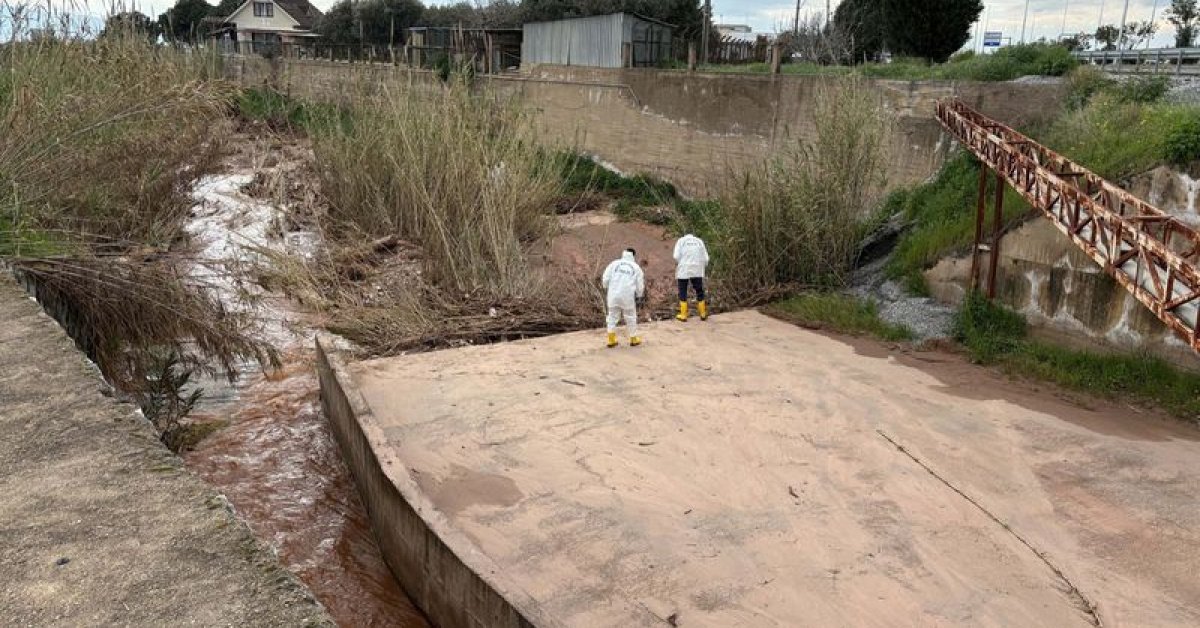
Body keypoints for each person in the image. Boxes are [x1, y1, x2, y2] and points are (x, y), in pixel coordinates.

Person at [601, 248, 645, 348]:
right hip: (627, 296)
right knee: (630, 317)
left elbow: (605, 278)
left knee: (612, 317)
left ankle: (611, 340)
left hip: (613, 295)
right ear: (633, 256)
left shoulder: (614, 264)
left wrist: (606, 286)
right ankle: (633, 339)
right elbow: (640, 284)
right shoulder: (636, 268)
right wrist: (639, 295)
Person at [673, 233, 710, 322]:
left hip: (684, 269)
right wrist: (702, 265)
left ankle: (683, 315)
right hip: (697, 268)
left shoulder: (681, 241)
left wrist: (682, 262)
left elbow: (675, 256)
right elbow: (706, 258)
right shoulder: (699, 241)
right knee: (699, 290)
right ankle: (702, 313)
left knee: (683, 291)